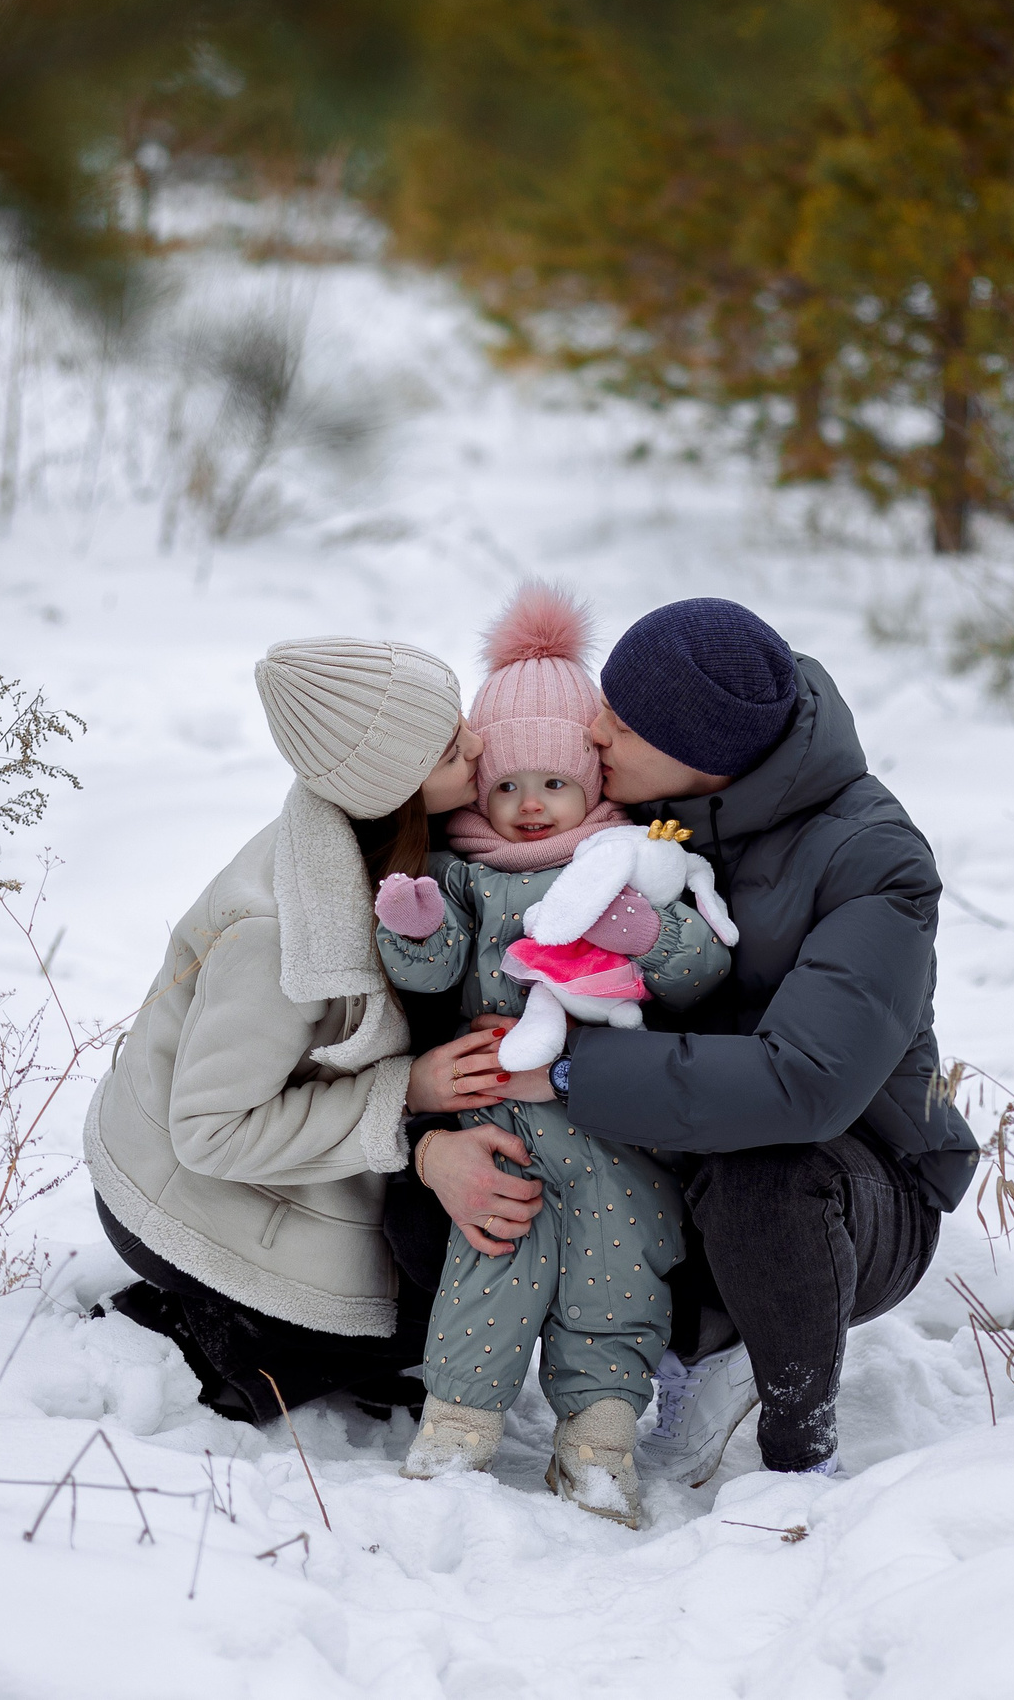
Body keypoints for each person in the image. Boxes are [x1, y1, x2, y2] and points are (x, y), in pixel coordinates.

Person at [468, 598, 980, 1480]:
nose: (593, 732)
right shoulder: (625, 817)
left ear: (700, 752)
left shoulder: (874, 858)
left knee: (766, 1173)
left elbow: (803, 1086)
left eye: (619, 723)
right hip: (677, 1148)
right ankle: (691, 1342)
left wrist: (562, 1068)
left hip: (855, 1191)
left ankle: (797, 1451)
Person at [82, 635, 530, 1421]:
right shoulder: (277, 929)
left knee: (466, 1295)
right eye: (450, 747)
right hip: (181, 1205)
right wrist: (407, 1095)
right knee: (431, 1326)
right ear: (391, 787)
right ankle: (211, 1335)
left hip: (266, 1175)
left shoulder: (390, 843)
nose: (478, 745)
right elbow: (210, 1131)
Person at [371, 585, 729, 1526]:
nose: (531, 807)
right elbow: (437, 962)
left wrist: (646, 931)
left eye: (556, 784)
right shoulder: (465, 873)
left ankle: (599, 1441)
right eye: (508, 786)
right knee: (490, 1257)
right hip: (502, 1125)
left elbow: (699, 968)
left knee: (618, 1273)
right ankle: (456, 1426)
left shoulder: (626, 863)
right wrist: (415, 925)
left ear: (593, 786)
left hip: (616, 1127)